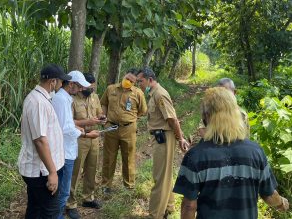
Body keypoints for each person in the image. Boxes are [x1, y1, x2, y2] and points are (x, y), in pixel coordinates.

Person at [174, 87, 289, 219]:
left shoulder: (195, 156)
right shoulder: (256, 152)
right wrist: (281, 203)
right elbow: (269, 195)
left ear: (207, 117)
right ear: (235, 114)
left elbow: (189, 206)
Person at [18, 64, 70, 218]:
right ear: (52, 82)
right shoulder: (38, 103)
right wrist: (52, 172)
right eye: (61, 81)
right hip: (41, 171)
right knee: (51, 212)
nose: (62, 84)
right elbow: (40, 140)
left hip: (40, 169)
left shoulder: (40, 98)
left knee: (35, 209)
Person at [137, 67, 189, 219]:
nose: (139, 84)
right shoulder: (153, 94)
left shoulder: (159, 94)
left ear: (150, 80)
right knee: (165, 175)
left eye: (141, 81)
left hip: (164, 138)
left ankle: (155, 215)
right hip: (161, 137)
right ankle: (168, 207)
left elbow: (172, 119)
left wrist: (181, 139)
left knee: (160, 177)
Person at [52, 70, 100, 219]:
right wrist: (84, 131)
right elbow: (65, 127)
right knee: (66, 186)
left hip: (76, 143)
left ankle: (86, 198)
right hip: (70, 146)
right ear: (71, 84)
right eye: (80, 87)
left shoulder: (67, 98)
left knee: (89, 170)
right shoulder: (62, 99)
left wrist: (80, 127)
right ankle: (65, 208)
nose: (82, 90)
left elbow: (67, 124)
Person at [100, 68, 147, 193]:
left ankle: (129, 186)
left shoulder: (138, 93)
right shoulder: (111, 89)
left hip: (128, 129)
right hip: (111, 127)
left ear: (135, 82)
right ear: (123, 76)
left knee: (128, 158)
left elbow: (143, 110)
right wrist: (103, 117)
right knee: (109, 157)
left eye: (132, 81)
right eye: (127, 78)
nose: (129, 81)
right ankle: (106, 185)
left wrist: (131, 118)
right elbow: (104, 103)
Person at [66, 73, 106, 219]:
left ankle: (88, 198)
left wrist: (101, 118)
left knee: (91, 168)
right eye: (90, 86)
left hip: (94, 137)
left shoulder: (94, 97)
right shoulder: (72, 99)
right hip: (80, 138)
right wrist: (87, 122)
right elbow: (69, 122)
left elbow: (99, 112)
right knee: (75, 171)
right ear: (82, 86)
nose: (92, 88)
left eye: (94, 85)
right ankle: (70, 203)